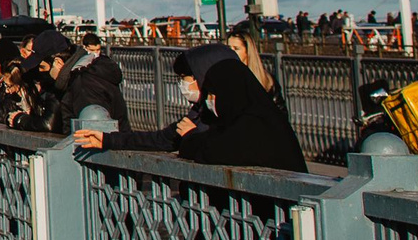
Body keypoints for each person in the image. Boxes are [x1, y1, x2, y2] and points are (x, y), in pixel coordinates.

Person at [76, 52, 307, 172]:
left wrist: (191, 138)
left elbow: (214, 151)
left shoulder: (253, 123)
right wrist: (108, 139)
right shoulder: (222, 115)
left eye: (212, 92)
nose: (210, 99)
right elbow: (163, 139)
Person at [52, 33, 129, 131]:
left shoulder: (83, 77)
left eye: (97, 50)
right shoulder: (106, 70)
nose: (95, 54)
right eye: (92, 50)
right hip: (117, 133)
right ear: (85, 47)